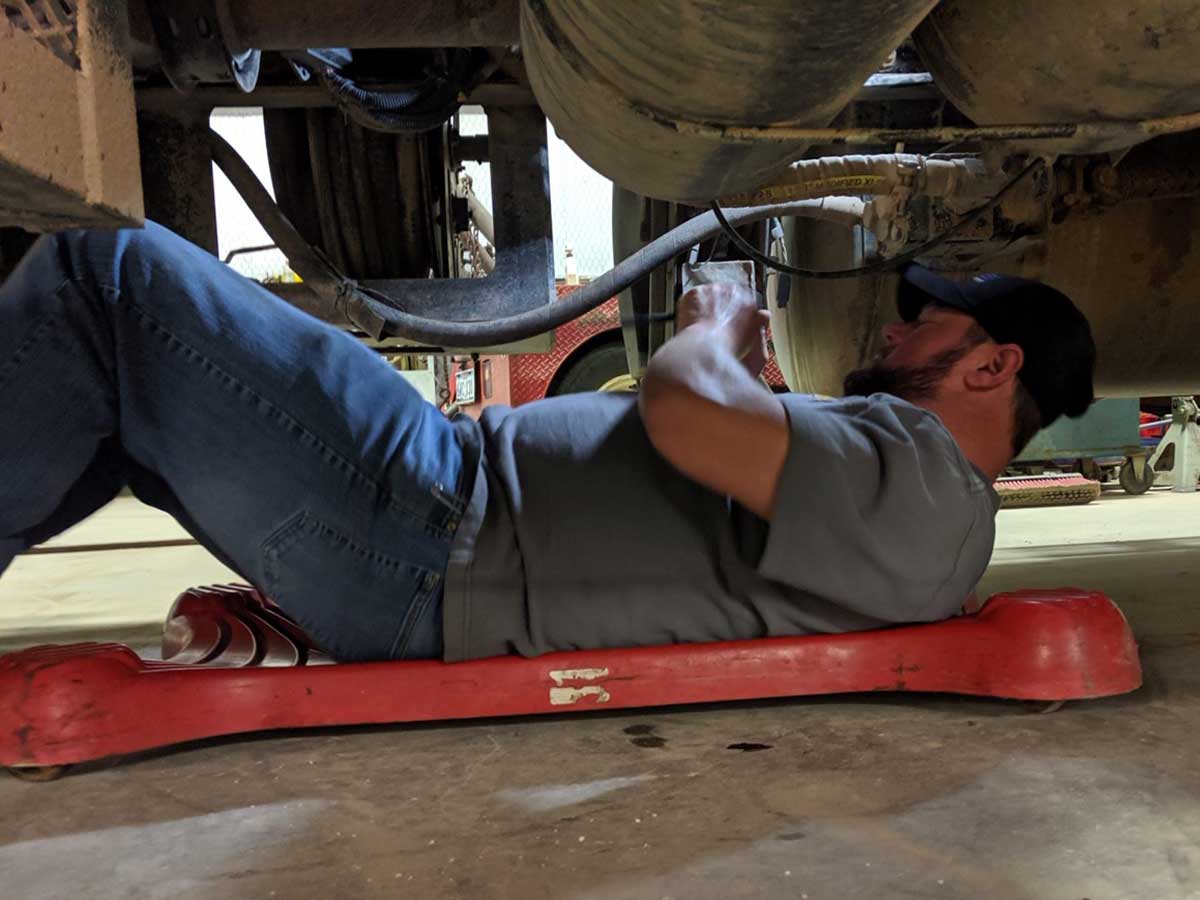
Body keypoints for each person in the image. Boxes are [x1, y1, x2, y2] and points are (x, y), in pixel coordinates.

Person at [0, 223, 1095, 663]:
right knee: (123, 390)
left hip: (436, 528)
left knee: (108, 277)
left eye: (932, 321)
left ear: (994, 366)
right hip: (436, 512)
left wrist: (719, 323)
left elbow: (686, 413)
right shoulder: (906, 482)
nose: (900, 327)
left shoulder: (924, 482)